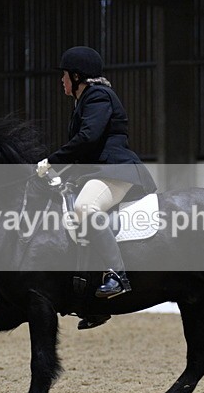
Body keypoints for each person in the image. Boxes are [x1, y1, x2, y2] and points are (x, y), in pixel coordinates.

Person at [36, 46, 157, 329]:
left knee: (85, 208)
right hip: (97, 173)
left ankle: (118, 275)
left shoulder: (98, 96)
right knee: (74, 222)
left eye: (65, 75)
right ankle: (92, 300)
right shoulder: (84, 101)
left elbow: (88, 138)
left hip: (116, 172)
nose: (62, 80)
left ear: (77, 76)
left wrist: (52, 162)